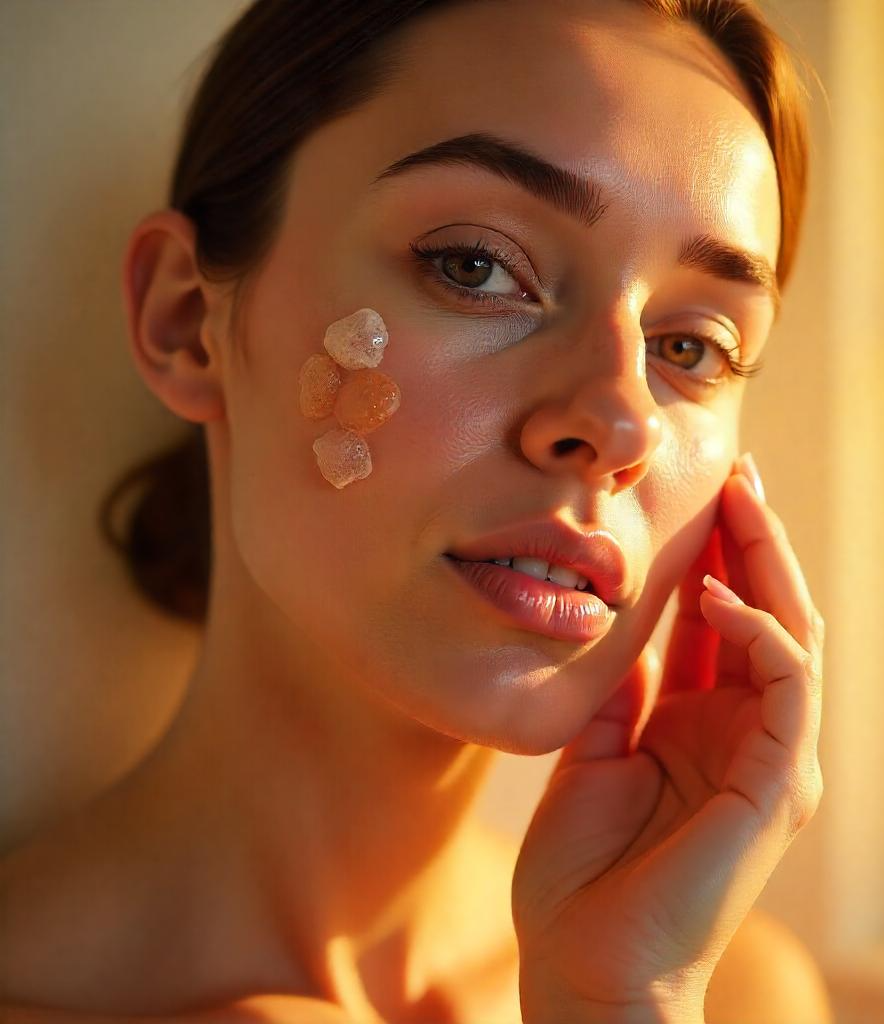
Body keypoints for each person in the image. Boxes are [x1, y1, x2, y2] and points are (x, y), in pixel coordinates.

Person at [0, 0, 833, 1021]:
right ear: (184, 318)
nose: (621, 422)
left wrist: (618, 999)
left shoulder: (729, 995)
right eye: (475, 266)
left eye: (690, 346)